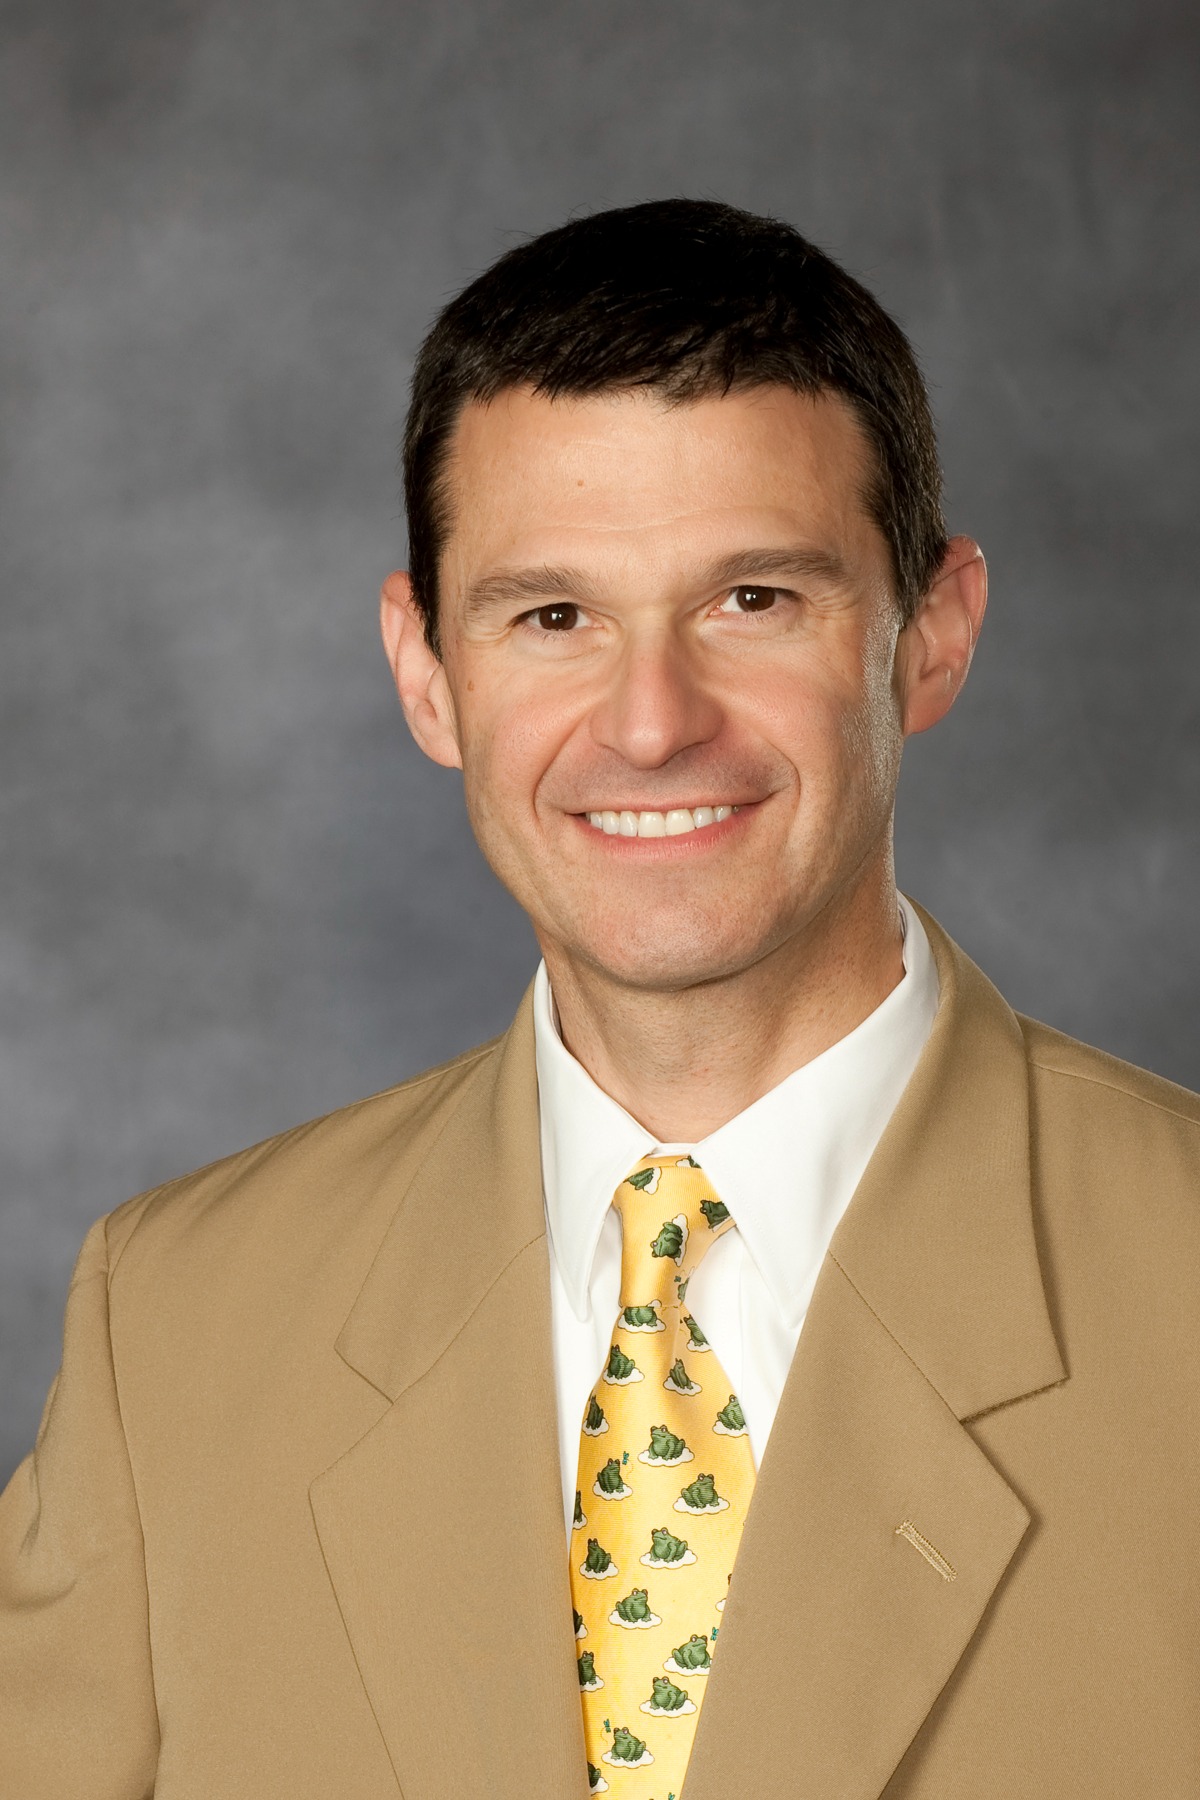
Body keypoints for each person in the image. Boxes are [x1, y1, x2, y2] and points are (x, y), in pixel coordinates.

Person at [1, 198, 1197, 1800]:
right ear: (428, 671)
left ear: (934, 634)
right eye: (552, 616)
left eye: (752, 599)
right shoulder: (173, 1331)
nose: (649, 724)